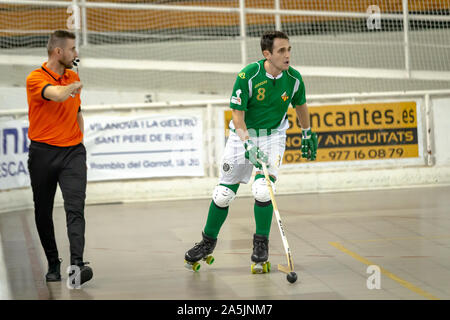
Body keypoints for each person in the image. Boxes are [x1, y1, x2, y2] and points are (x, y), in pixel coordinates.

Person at [184, 30, 318, 273]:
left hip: (272, 138)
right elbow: (237, 115)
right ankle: (207, 243)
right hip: (241, 136)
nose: (287, 55)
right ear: (267, 54)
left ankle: (261, 246)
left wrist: (307, 132)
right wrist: (247, 144)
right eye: (281, 51)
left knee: (263, 190)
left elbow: (301, 105)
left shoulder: (294, 78)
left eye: (289, 49)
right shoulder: (248, 75)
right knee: (223, 194)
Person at [26, 30, 92, 287]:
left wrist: (80, 144)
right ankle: (53, 263)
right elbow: (56, 94)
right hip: (43, 153)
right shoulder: (35, 78)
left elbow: (77, 112)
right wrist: (72, 87)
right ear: (58, 52)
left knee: (75, 208)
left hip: (73, 153)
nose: (76, 54)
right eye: (73, 49)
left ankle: (77, 266)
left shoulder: (72, 75)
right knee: (43, 211)